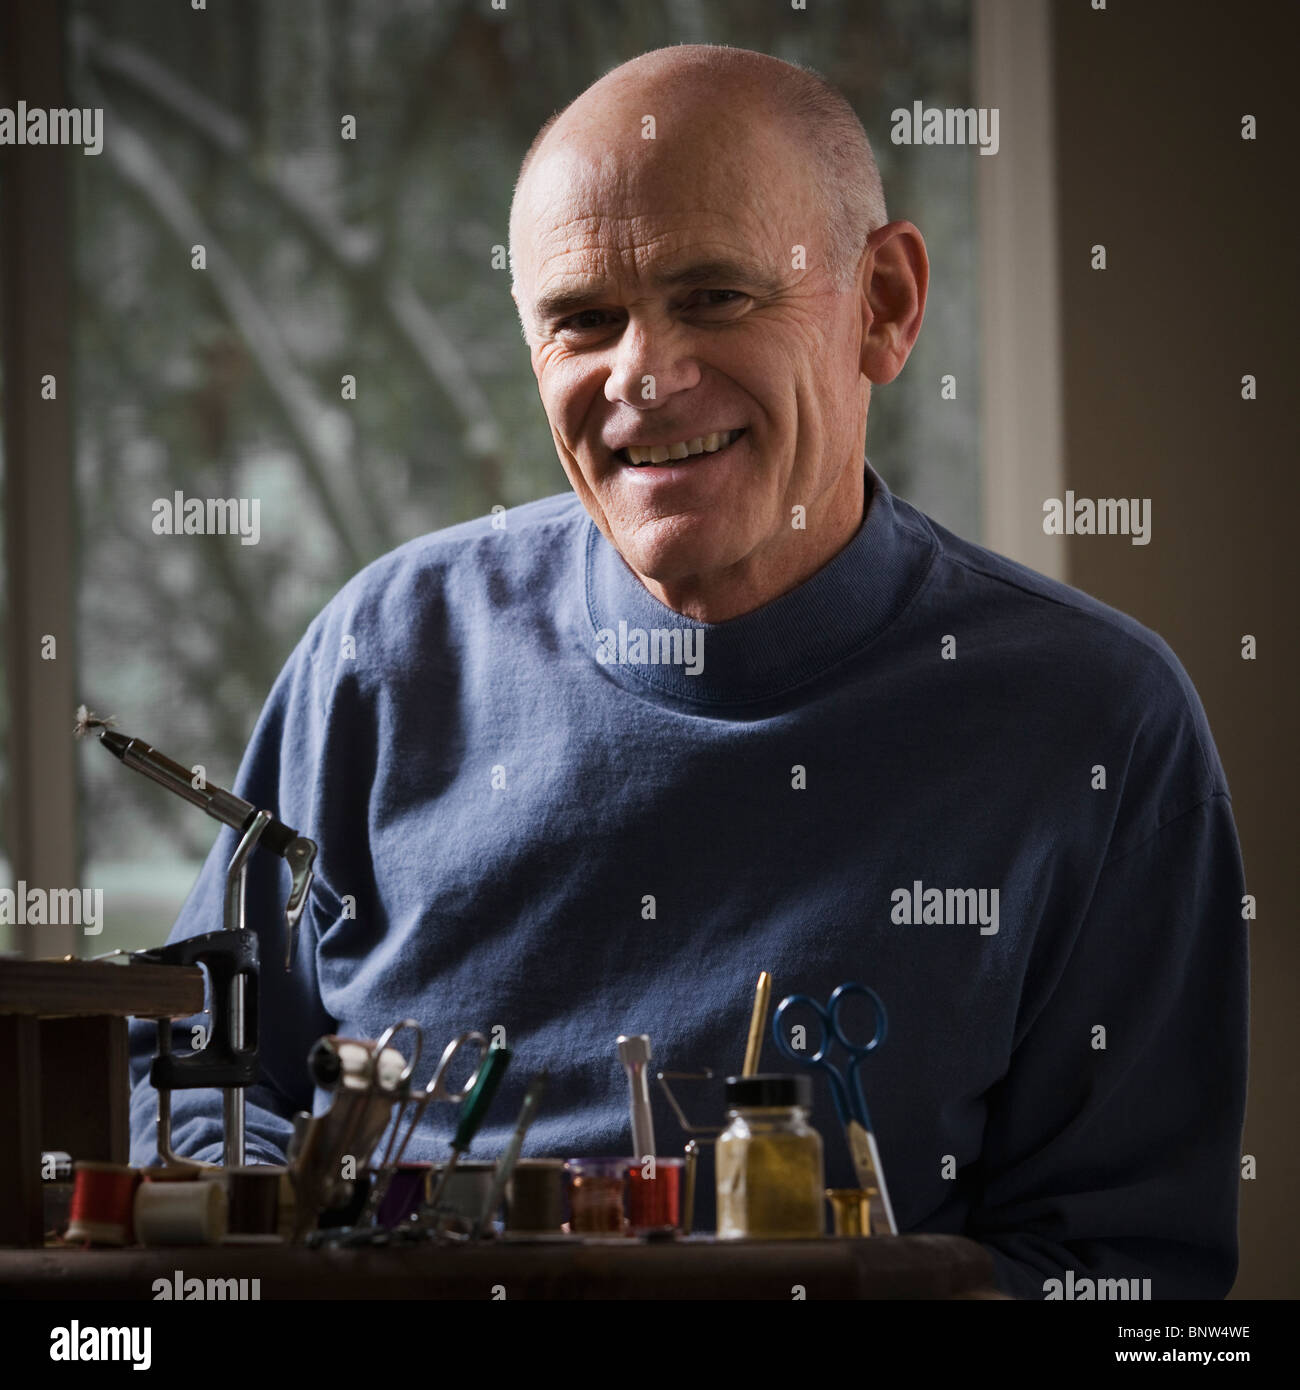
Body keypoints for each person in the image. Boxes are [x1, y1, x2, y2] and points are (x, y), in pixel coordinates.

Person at [128, 45, 1248, 1299]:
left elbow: (1122, 1276)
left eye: (713, 296)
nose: (642, 377)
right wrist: (290, 1235)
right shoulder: (381, 656)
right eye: (583, 320)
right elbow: (178, 1079)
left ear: (882, 303)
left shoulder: (1096, 723)